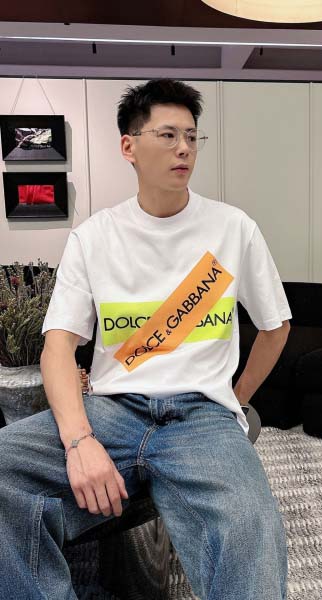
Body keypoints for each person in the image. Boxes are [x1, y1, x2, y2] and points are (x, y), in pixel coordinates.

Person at [0, 78, 292, 600]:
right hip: (113, 411)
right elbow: (58, 347)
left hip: (201, 416)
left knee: (251, 527)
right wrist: (79, 441)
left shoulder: (233, 228)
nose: (184, 148)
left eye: (192, 137)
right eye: (168, 135)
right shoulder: (94, 237)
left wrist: (235, 399)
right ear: (128, 146)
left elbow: (276, 326)